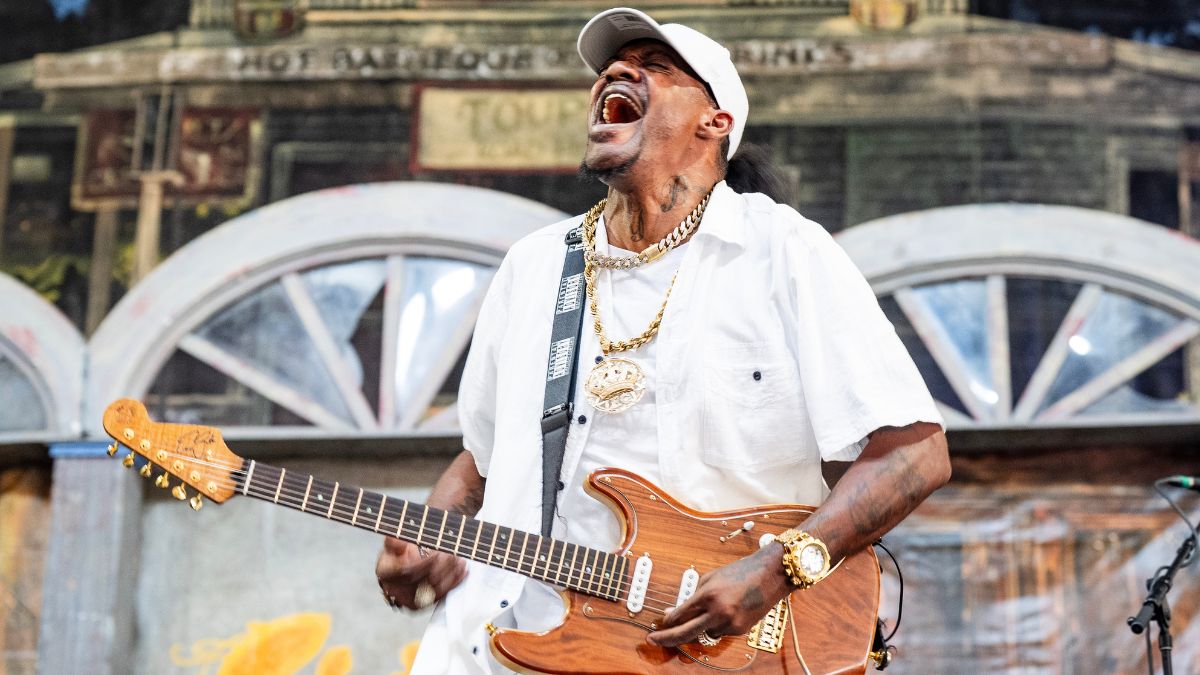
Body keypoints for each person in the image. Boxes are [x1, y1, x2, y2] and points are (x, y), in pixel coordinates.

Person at [376, 7, 951, 673]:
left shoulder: (781, 251)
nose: (617, 72)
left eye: (656, 67)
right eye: (615, 67)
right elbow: (479, 461)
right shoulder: (534, 266)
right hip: (489, 648)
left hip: (692, 655)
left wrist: (775, 569)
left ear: (716, 122)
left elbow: (915, 454)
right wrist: (431, 535)